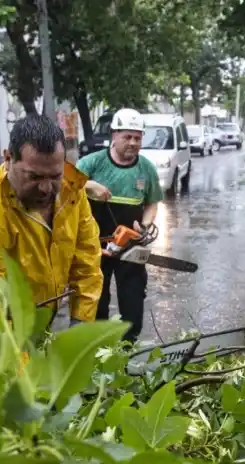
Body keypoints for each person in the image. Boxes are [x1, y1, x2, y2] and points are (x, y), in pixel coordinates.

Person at [0, 114, 103, 325]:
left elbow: (87, 261)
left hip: (34, 317)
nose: (46, 189)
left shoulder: (71, 189)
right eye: (34, 177)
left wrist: (80, 327)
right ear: (8, 159)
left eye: (55, 176)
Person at [76, 108, 164, 342]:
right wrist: (90, 186)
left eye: (138, 137)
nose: (133, 143)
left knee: (133, 302)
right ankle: (99, 350)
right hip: (95, 245)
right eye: (127, 137)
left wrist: (144, 226)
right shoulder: (92, 163)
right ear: (114, 135)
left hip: (130, 246)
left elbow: (152, 203)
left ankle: (126, 351)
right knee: (97, 301)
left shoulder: (146, 168)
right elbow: (64, 181)